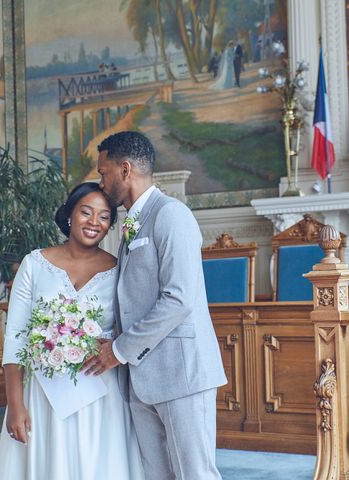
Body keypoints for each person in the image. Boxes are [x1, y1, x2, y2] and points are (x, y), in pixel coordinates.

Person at [89, 131, 227, 479]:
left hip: (181, 373)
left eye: (103, 172)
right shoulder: (131, 222)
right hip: (142, 379)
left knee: (195, 473)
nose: (101, 182)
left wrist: (119, 349)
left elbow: (178, 299)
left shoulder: (171, 215)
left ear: (124, 169)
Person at [0, 182, 144, 480]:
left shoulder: (119, 269)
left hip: (101, 392)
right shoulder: (34, 264)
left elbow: (130, 327)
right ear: (69, 214)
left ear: (111, 224)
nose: (94, 222)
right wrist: (15, 404)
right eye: (86, 212)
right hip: (44, 393)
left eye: (103, 217)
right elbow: (16, 336)